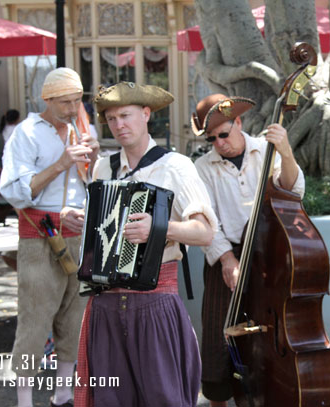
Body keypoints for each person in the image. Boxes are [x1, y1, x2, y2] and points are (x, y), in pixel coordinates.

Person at [73, 82, 218, 407]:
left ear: (146, 114)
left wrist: (159, 228)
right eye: (111, 119)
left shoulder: (175, 165)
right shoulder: (103, 168)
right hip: (105, 304)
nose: (119, 124)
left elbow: (206, 232)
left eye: (125, 115)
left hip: (155, 302)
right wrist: (79, 221)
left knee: (163, 398)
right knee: (110, 400)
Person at [192, 94, 305, 406]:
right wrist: (227, 259)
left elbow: (293, 191)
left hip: (268, 249)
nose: (219, 143)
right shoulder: (202, 167)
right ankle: (218, 400)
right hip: (224, 250)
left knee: (269, 328)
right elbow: (205, 218)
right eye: (212, 139)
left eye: (224, 135)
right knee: (219, 331)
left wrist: (286, 151)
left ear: (238, 122)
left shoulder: (265, 152)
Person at [0, 67, 100, 407]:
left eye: (77, 101)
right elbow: (14, 192)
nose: (73, 110)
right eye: (65, 103)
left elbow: (92, 184)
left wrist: (94, 158)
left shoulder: (82, 129)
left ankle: (63, 397)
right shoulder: (26, 133)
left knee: (75, 319)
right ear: (47, 99)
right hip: (41, 237)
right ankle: (24, 401)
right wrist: (60, 164)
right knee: (34, 320)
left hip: (79, 235)